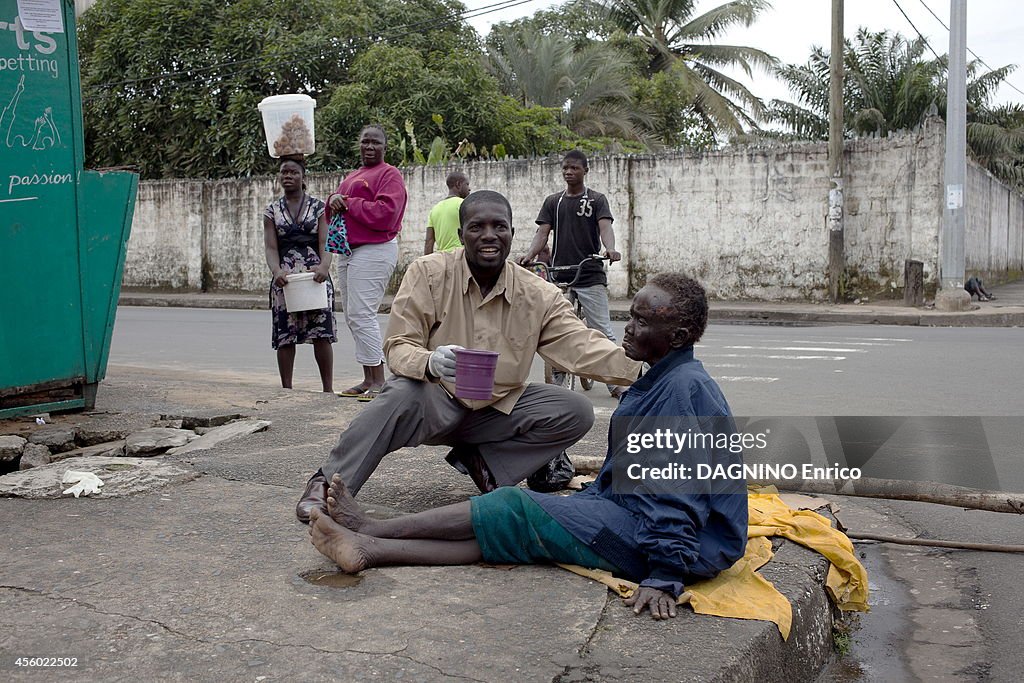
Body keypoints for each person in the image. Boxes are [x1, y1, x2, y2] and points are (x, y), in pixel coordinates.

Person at [308, 272, 749, 620]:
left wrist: (665, 575)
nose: (627, 328)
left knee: (513, 508)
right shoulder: (664, 377)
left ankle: (370, 529)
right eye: (629, 315)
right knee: (517, 532)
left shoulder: (680, 390)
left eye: (642, 321)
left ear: (677, 336)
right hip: (642, 521)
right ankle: (369, 549)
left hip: (673, 545)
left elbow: (677, 492)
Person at [296, 190, 642, 523]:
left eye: (499, 226)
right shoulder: (428, 273)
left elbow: (580, 345)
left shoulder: (539, 294)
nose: (489, 235)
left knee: (574, 410)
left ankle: (485, 464)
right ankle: (328, 483)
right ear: (462, 235)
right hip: (435, 400)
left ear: (511, 233)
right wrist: (430, 362)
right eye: (477, 227)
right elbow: (398, 345)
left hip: (497, 408)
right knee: (398, 393)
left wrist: (642, 369)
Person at [518, 150, 625, 399]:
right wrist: (530, 254)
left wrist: (610, 249)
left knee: (603, 330)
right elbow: (542, 234)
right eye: (565, 167)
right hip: (559, 273)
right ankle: (558, 377)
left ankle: (616, 382)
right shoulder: (553, 202)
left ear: (585, 171)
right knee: (556, 328)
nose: (569, 172)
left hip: (589, 272)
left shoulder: (597, 200)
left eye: (574, 168)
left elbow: (605, 227)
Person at [328, 125, 408, 399]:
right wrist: (334, 199)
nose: (369, 147)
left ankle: (379, 379)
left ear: (385, 148)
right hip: (349, 251)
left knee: (362, 313)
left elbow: (386, 213)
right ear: (359, 145)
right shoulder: (353, 176)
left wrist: (348, 202)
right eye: (365, 142)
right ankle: (367, 377)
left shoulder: (390, 174)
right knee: (353, 315)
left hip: (375, 248)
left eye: (376, 143)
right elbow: (333, 210)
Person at [263, 157, 336, 392]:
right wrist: (276, 271)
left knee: (321, 333)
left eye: (293, 172)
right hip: (285, 279)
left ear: (304, 177)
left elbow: (325, 241)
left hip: (315, 276)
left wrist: (325, 266)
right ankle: (287, 389)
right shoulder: (271, 211)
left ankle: (327, 389)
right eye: (284, 172)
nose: (288, 176)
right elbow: (271, 247)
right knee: (285, 335)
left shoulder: (319, 207)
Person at [424, 171, 470, 254]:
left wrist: (427, 263)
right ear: (458, 184)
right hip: (461, 256)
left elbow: (429, 241)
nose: (469, 188)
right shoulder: (464, 204)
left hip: (442, 259)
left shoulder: (435, 209)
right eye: (467, 184)